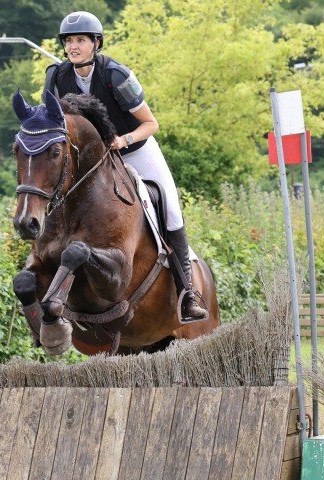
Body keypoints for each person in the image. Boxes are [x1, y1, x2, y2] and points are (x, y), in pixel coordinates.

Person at [44, 11, 207, 322]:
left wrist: (124, 139)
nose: (73, 47)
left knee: (170, 208)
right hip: (89, 160)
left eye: (81, 40)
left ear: (96, 43)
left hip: (135, 150)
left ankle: (187, 294)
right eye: (69, 41)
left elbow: (151, 123)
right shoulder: (56, 76)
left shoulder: (116, 76)